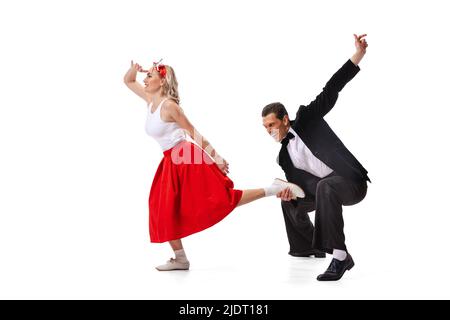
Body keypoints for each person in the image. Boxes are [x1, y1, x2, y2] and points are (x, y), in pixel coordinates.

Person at [123, 59, 303, 271]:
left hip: (185, 157)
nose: (145, 79)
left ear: (162, 82)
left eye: (150, 76)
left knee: (222, 200)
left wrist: (216, 158)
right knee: (161, 207)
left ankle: (274, 189)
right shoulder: (150, 99)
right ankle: (180, 259)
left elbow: (193, 133)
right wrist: (135, 70)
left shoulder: (169, 106)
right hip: (170, 160)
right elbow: (128, 80)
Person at [261, 34, 370, 281]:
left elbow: (331, 89)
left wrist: (358, 55)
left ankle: (340, 256)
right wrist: (290, 191)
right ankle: (306, 246)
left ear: (285, 119)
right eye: (265, 128)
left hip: (351, 183)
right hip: (323, 191)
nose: (270, 132)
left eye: (272, 125)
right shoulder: (284, 156)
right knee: (289, 202)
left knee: (326, 185)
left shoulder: (308, 119)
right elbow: (302, 188)